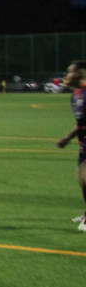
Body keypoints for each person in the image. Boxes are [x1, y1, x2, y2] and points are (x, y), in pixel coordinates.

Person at [54, 60, 86, 232]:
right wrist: (67, 138)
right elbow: (80, 123)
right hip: (83, 143)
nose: (66, 76)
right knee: (82, 179)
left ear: (80, 73)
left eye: (69, 72)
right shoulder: (75, 96)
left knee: (84, 175)